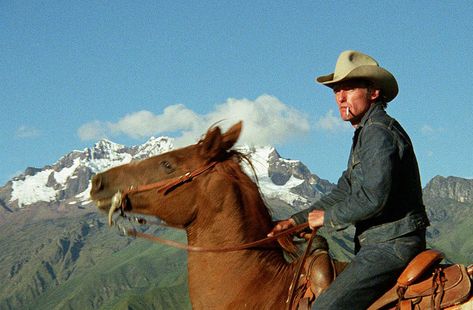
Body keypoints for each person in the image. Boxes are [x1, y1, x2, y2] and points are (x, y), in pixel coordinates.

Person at [268, 50, 430, 309]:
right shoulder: (365, 133)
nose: (341, 97)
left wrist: (326, 219)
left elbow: (373, 197)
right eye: (336, 91)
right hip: (378, 245)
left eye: (350, 88)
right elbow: (344, 190)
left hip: (391, 245)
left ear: (373, 92)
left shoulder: (377, 133)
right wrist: (295, 221)